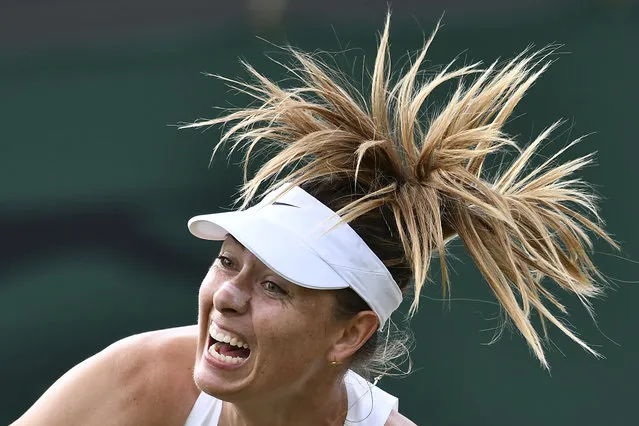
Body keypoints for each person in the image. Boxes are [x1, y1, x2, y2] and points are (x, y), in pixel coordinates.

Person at [11, 14, 616, 426]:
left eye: (275, 286)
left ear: (349, 334)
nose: (227, 297)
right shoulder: (141, 379)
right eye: (228, 262)